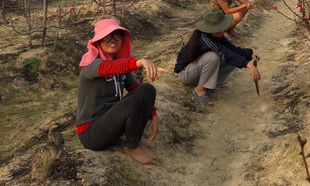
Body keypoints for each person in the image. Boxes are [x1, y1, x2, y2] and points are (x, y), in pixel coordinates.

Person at [76, 18, 163, 164]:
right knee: (132, 102)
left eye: (117, 36)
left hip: (111, 123)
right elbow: (108, 68)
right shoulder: (90, 64)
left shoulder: (118, 63)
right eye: (107, 37)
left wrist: (153, 114)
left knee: (147, 89)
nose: (113, 40)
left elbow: (135, 88)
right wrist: (140, 62)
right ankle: (132, 147)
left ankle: (133, 140)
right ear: (97, 42)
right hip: (91, 133)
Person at [174, 8, 261, 106]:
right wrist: (248, 65)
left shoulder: (215, 36)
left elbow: (231, 49)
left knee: (232, 58)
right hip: (186, 72)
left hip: (197, 68)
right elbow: (225, 53)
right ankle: (200, 90)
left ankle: (210, 84)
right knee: (213, 57)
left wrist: (250, 54)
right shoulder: (204, 39)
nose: (222, 32)